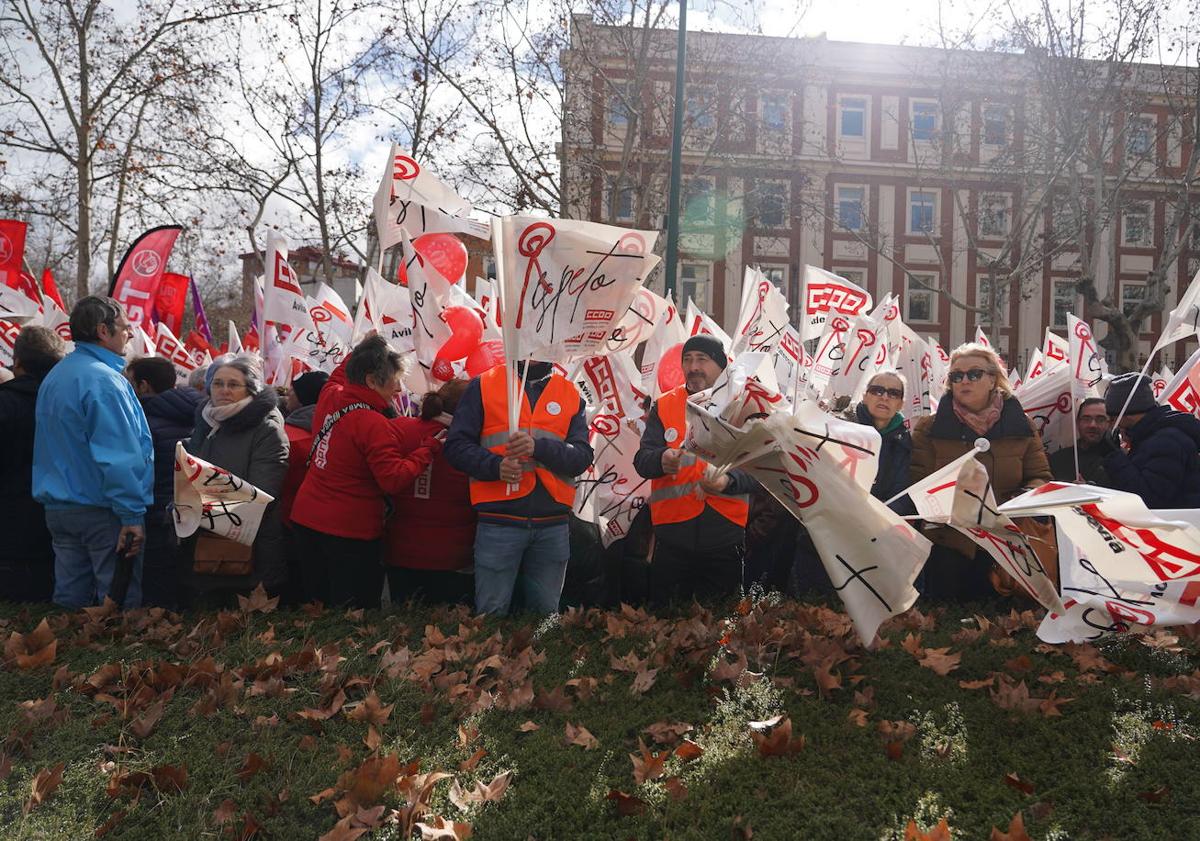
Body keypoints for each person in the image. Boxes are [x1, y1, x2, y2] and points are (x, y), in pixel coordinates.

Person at [290, 337, 442, 609]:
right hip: (348, 532)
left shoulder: (330, 395)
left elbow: (342, 372)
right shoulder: (373, 424)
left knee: (316, 605)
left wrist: (366, 345)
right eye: (394, 380)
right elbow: (393, 479)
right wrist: (427, 449)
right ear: (372, 381)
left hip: (306, 520)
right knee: (351, 612)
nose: (398, 389)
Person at [444, 359, 593, 616]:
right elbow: (455, 446)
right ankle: (489, 657)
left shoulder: (570, 393)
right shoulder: (484, 384)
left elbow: (581, 457)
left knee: (545, 618)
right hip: (499, 522)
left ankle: (544, 657)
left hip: (553, 525)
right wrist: (495, 466)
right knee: (491, 614)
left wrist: (539, 448)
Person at [33, 296, 153, 608]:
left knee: (70, 598)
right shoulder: (104, 381)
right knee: (118, 600)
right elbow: (119, 454)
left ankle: (63, 652)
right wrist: (131, 514)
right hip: (102, 508)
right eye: (125, 328)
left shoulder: (57, 375)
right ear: (103, 330)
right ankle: (121, 657)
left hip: (60, 507)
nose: (129, 334)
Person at [909, 342, 1052, 600]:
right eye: (956, 376)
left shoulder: (1024, 426)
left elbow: (1040, 477)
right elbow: (920, 483)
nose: (965, 381)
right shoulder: (928, 428)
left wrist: (1021, 497)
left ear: (993, 380)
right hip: (950, 545)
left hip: (1008, 542)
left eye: (974, 374)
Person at [633, 336, 755, 605]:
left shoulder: (742, 405)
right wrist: (660, 459)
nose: (693, 366)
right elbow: (642, 460)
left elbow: (761, 471)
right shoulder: (664, 405)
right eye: (687, 359)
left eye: (702, 359)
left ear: (722, 366)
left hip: (724, 535)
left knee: (721, 623)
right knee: (666, 622)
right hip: (672, 537)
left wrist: (728, 481)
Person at [184, 355, 289, 604]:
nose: (224, 390)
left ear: (250, 390)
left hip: (250, 553)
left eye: (233, 384)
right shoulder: (205, 422)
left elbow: (261, 495)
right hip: (204, 549)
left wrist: (198, 503)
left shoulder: (267, 431)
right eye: (218, 383)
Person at [384, 379, 476, 605]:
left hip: (399, 551)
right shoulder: (474, 445)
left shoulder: (397, 428)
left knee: (398, 629)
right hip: (453, 557)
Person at [127, 355, 203, 609]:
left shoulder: (142, 421)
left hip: (155, 510)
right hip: (189, 509)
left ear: (143, 386)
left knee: (157, 583)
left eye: (130, 381)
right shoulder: (201, 415)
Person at [0, 327, 65, 602]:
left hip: (9, 521)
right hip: (61, 517)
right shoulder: (69, 402)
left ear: (17, 363)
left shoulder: (5, 402)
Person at [1102, 372, 1200, 508]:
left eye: (1112, 419)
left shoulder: (1166, 442)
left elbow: (1149, 499)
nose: (1112, 425)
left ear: (1126, 415)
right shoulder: (1149, 437)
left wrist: (1115, 457)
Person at [277, 370, 328, 605]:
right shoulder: (337, 428)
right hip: (329, 522)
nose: (287, 395)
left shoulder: (288, 437)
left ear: (303, 397)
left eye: (293, 391)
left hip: (289, 519)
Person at [846, 370, 912, 506]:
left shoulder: (903, 442)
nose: (885, 397)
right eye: (877, 391)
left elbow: (900, 493)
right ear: (864, 396)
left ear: (901, 404)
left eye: (894, 394)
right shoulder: (841, 427)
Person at [1048, 397, 1113, 485]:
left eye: (1100, 419)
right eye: (1086, 419)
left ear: (1110, 423)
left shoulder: (1119, 461)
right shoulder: (1057, 459)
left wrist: (1090, 490)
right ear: (1078, 422)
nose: (1092, 425)